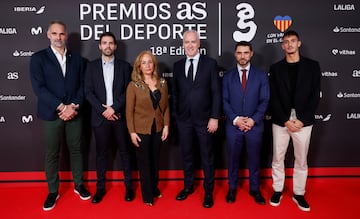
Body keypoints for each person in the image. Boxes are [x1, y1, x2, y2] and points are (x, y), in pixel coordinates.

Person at [29, 20, 91, 211]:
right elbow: (39, 88)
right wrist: (61, 107)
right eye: (54, 34)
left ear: (66, 35)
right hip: (51, 114)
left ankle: (79, 184)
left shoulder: (78, 60)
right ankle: (53, 191)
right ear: (48, 35)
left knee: (76, 149)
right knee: (52, 153)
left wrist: (73, 106)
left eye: (62, 34)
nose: (58, 37)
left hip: (74, 112)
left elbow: (83, 86)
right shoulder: (38, 58)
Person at [268, 30, 321, 212]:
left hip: (303, 122)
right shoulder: (275, 68)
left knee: (301, 159)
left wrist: (303, 120)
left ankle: (299, 193)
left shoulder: (313, 66)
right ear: (282, 46)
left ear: (299, 43)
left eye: (293, 41)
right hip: (280, 120)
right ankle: (277, 190)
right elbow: (273, 97)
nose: (289, 44)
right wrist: (284, 119)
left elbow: (315, 96)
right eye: (286, 42)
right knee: (278, 157)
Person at [172, 30, 222, 208]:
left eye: (193, 42)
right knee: (187, 155)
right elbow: (176, 93)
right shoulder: (177, 66)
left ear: (199, 44)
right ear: (183, 45)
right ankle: (188, 187)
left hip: (205, 120)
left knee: (207, 157)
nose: (190, 45)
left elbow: (216, 93)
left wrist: (214, 117)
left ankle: (208, 192)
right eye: (187, 42)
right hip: (184, 120)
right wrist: (177, 115)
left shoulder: (210, 64)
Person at [84, 32, 135, 204]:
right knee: (100, 154)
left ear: (115, 46)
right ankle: (100, 188)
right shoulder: (91, 67)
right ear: (99, 46)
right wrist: (104, 110)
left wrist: (114, 108)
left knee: (125, 153)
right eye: (104, 43)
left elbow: (129, 91)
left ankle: (129, 187)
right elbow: (88, 92)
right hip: (100, 118)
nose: (107, 46)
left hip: (119, 116)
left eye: (110, 43)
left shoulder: (125, 66)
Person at [222, 41, 269, 205]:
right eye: (239, 53)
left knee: (255, 160)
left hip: (254, 126)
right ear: (235, 54)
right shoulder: (227, 76)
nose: (243, 56)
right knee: (233, 159)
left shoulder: (261, 75)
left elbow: (264, 100)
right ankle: (232, 188)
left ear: (251, 54)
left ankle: (255, 189)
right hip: (233, 126)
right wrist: (235, 119)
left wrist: (253, 119)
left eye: (246, 53)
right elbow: (224, 101)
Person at [126, 50, 170, 206]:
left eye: (150, 62)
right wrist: (132, 132)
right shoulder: (134, 85)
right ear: (139, 65)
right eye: (144, 62)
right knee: (144, 163)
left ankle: (154, 188)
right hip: (141, 130)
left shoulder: (162, 83)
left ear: (154, 64)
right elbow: (129, 111)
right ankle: (147, 196)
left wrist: (166, 125)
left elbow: (165, 107)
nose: (147, 65)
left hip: (157, 128)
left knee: (155, 162)